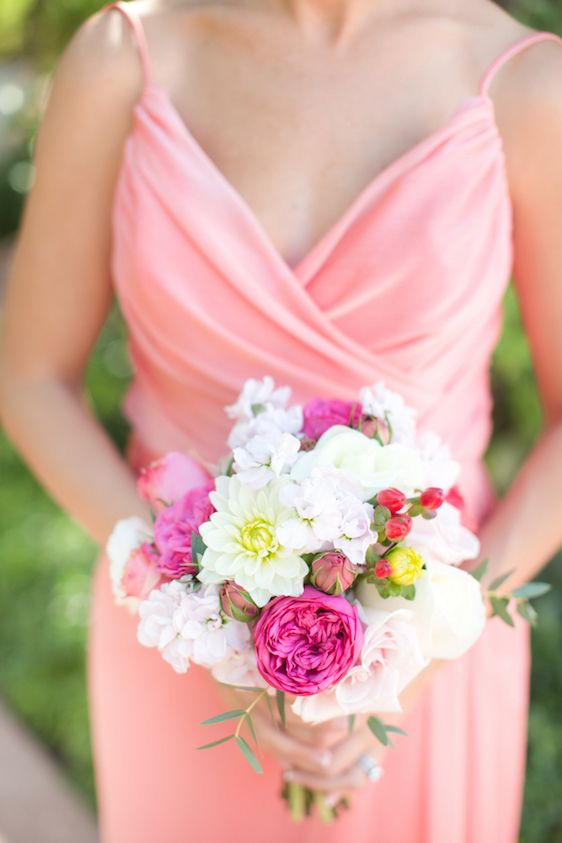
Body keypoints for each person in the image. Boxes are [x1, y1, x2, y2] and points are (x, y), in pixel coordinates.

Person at [1, 0, 562, 840]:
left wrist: (406, 659)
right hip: (176, 654)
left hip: (435, 660)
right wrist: (198, 615)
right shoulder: (127, 56)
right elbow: (29, 377)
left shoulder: (525, 85)